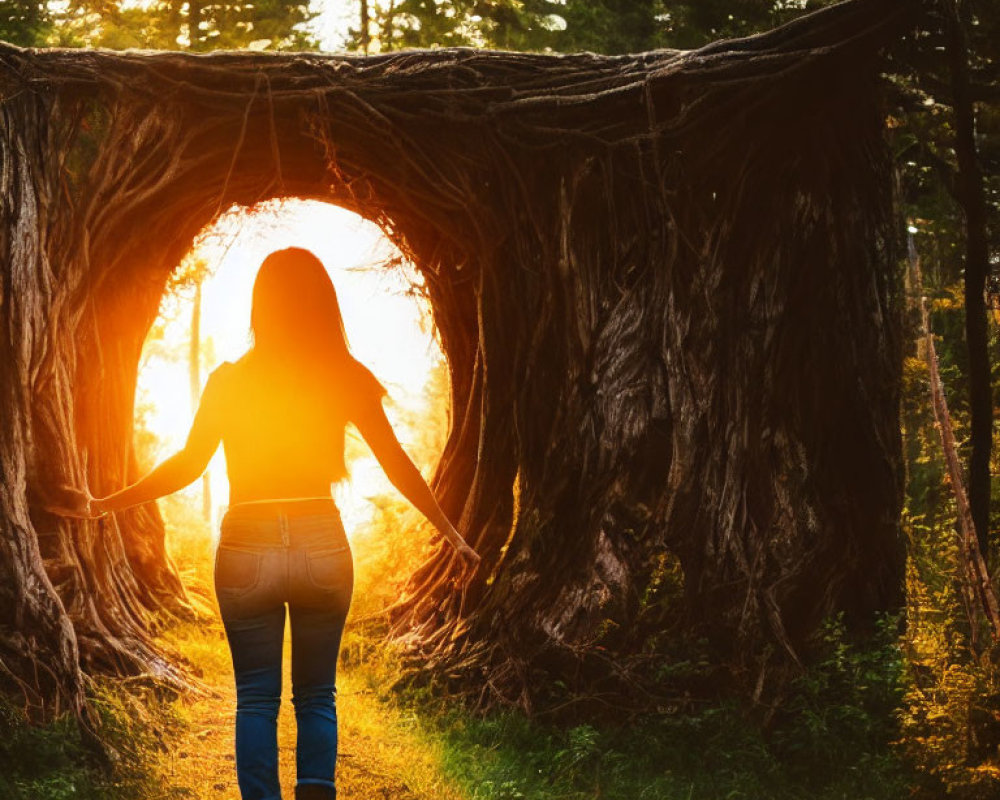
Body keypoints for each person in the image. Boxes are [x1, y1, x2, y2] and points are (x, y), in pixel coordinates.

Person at [72, 247, 481, 800]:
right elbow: (396, 462)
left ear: (259, 305)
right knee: (317, 695)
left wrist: (104, 504)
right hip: (321, 542)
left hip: (246, 543)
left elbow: (188, 465)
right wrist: (451, 533)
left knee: (257, 699)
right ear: (323, 304)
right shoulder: (343, 373)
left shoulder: (229, 380)